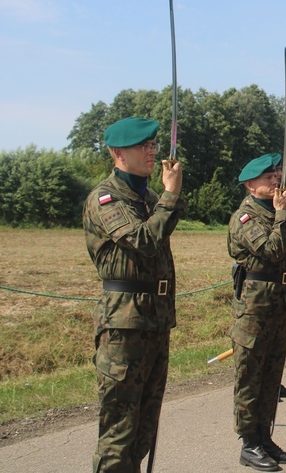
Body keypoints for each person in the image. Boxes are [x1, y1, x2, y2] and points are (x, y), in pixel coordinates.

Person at [83, 117, 186, 471]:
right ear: (117, 153)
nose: (151, 151)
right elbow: (142, 241)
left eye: (153, 144)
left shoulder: (149, 197)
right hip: (124, 325)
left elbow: (163, 227)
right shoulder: (105, 198)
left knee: (144, 426)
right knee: (119, 429)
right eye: (142, 146)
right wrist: (171, 195)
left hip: (154, 320)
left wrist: (166, 197)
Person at [228, 153, 286, 470]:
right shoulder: (245, 218)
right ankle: (249, 443)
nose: (276, 180)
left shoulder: (275, 213)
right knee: (250, 378)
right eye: (269, 177)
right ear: (250, 184)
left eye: (277, 175)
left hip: (278, 304)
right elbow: (272, 250)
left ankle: (265, 435)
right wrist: (282, 214)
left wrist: (282, 214)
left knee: (271, 378)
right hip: (254, 309)